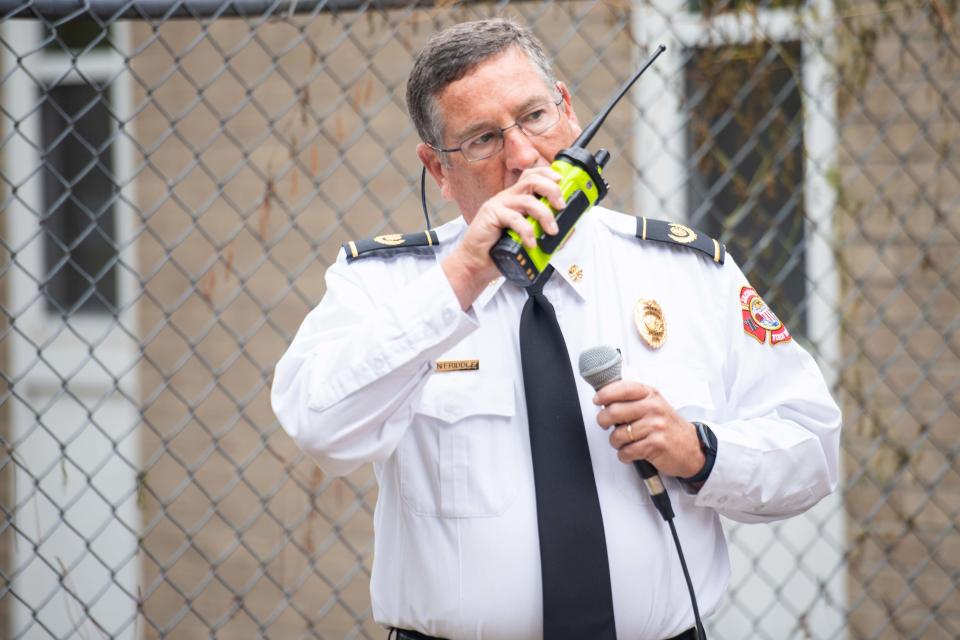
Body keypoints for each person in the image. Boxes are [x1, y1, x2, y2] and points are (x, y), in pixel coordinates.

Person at [271, 18, 841, 640]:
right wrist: (460, 277)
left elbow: (811, 448)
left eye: (535, 117)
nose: (522, 156)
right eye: (484, 139)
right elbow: (320, 425)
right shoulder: (385, 285)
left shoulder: (686, 271)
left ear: (568, 111)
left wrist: (700, 452)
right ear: (437, 167)